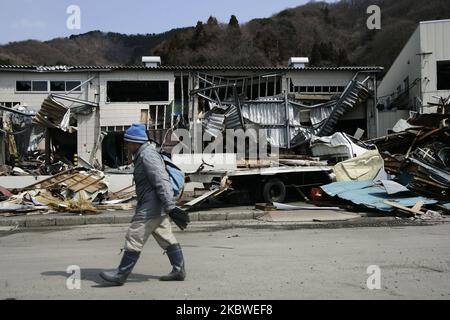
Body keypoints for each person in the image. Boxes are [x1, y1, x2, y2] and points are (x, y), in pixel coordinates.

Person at [100, 123, 188, 286]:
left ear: (135, 142)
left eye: (128, 143)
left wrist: (171, 207)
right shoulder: (143, 154)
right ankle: (179, 270)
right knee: (166, 237)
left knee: (134, 236)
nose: (126, 146)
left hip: (151, 207)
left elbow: (161, 181)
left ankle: (121, 274)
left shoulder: (147, 155)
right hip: (156, 205)